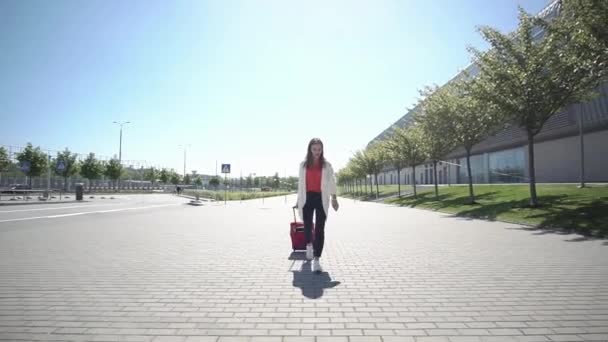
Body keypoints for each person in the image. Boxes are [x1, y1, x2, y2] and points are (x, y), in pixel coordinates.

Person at [295, 138, 339, 273]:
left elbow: (332, 181)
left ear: (322, 149)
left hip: (321, 198)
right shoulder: (303, 165)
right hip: (307, 198)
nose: (317, 152)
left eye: (319, 149)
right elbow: (300, 184)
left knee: (320, 229)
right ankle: (309, 245)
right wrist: (298, 200)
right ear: (310, 149)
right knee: (308, 226)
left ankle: (317, 260)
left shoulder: (327, 165)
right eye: (314, 149)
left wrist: (334, 198)